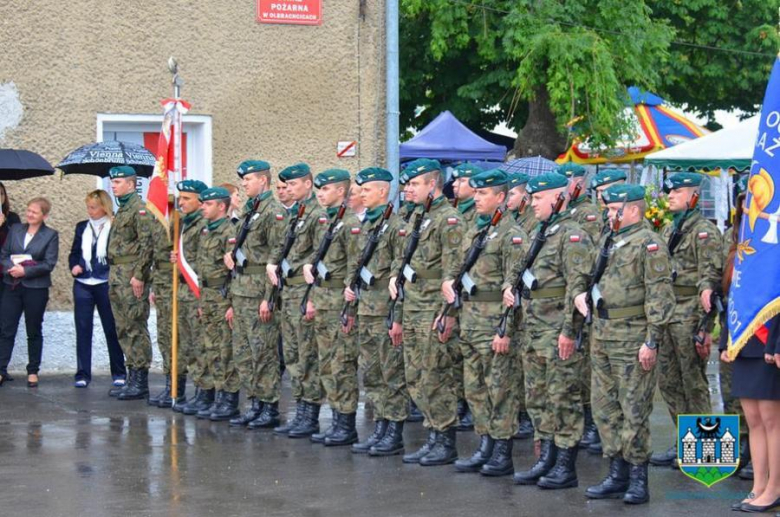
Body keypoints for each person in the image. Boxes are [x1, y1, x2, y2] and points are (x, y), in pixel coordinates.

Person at [574, 184, 674, 505]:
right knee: (605, 407)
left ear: (632, 209)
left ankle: (637, 476)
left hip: (633, 337)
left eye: (614, 208)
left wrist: (652, 340)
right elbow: (587, 274)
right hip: (603, 333)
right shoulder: (609, 240)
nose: (607, 213)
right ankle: (616, 471)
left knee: (635, 409)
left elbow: (659, 296)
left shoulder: (650, 245)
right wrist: (580, 293)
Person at [503, 172, 591, 489]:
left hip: (557, 332)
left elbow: (577, 288)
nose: (533, 203)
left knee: (562, 397)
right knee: (538, 398)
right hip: (533, 330)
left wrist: (569, 331)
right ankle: (547, 458)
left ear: (557, 197)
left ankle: (565, 466)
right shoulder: (541, 233)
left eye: (538, 198)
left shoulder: (572, 236)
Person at [445, 169, 528, 477]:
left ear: (501, 198)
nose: (477, 198)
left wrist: (506, 329)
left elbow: (514, 288)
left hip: (494, 325)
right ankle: (486, 444)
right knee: (476, 388)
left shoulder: (512, 234)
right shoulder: (475, 229)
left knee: (500, 389)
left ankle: (502, 451)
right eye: (476, 193)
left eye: (483, 194)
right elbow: (458, 271)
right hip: (470, 321)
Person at [391, 158, 462, 466]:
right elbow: (403, 256)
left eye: (415, 184)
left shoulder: (449, 220)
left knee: (436, 376)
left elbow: (453, 270)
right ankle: (432, 434)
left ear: (432, 184)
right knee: (417, 375)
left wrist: (447, 313)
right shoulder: (417, 216)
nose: (409, 188)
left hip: (433, 307)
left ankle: (445, 440)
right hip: (413, 305)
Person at [650, 172, 722, 466]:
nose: (670, 196)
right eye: (669, 192)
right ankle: (685, 443)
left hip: (690, 314)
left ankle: (706, 451)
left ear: (693, 196)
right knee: (668, 381)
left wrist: (705, 327)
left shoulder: (704, 231)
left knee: (693, 382)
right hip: (668, 313)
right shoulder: (669, 230)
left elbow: (711, 277)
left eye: (677, 192)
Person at [346, 167, 409, 455]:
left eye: (366, 190)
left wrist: (397, 318)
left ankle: (393, 433)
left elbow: (399, 277)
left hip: (384, 310)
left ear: (383, 192)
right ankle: (380, 427)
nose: (361, 194)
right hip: (366, 309)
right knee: (372, 373)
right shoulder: (367, 225)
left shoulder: (397, 227)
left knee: (390, 373)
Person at [224, 160, 286, 429]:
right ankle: (255, 402)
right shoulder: (250, 210)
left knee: (264, 353)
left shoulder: (273, 211)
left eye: (248, 179)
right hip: (241, 290)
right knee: (244, 353)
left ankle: (269, 407)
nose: (244, 184)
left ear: (263, 180)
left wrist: (268, 298)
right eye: (243, 180)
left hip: (259, 291)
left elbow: (276, 256)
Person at [266, 163, 326, 438]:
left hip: (304, 294)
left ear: (307, 184)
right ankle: (301, 410)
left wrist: (313, 298)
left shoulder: (318, 215)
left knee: (306, 356)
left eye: (292, 185)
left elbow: (321, 261)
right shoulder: (297, 214)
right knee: (291, 355)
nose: (287, 189)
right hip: (288, 292)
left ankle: (310, 414)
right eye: (285, 185)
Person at [305, 169, 362, 446]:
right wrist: (314, 298)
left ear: (341, 191)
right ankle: (337, 420)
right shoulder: (326, 221)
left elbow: (354, 268)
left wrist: (350, 311)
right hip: (324, 301)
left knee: (342, 365)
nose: (320, 193)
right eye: (319, 189)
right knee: (327, 364)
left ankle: (346, 422)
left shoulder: (351, 223)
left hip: (339, 303)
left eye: (326, 189)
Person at [556, 163, 602, 453]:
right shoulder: (566, 217)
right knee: (675, 388)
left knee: (694, 389)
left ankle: (704, 458)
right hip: (575, 302)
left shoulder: (589, 216)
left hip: (686, 314)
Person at [69, 190, 125, 388]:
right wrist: (74, 266)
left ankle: (119, 372)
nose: (89, 211)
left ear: (104, 207)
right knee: (83, 328)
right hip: (83, 283)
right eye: (88, 207)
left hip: (105, 282)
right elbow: (74, 253)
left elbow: (120, 254)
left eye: (93, 207)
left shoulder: (114, 225)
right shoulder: (82, 227)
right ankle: (83, 373)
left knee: (111, 327)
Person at [0, 197, 59, 387]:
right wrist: (11, 268)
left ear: (44, 215)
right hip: (12, 285)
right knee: (6, 329)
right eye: (28, 210)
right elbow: (4, 254)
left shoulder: (50, 235)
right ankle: (1, 370)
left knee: (33, 330)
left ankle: (33, 371)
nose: (30, 214)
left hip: (36, 289)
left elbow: (49, 263)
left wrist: (25, 270)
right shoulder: (16, 229)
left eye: (34, 212)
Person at [107, 166, 154, 400]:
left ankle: (140, 380)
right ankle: (131, 376)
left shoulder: (140, 210)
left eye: (117, 182)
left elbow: (147, 245)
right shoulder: (123, 209)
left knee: (135, 326)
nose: (113, 186)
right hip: (117, 276)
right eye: (112, 182)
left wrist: (140, 275)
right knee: (123, 328)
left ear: (130, 184)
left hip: (130, 276)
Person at [194, 187, 239, 421]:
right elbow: (203, 269)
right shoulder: (205, 231)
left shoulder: (229, 232)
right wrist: (202, 299)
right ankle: (218, 395)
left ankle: (229, 398)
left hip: (223, 296)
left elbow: (233, 272)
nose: (203, 207)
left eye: (207, 204)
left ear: (221, 206)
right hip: (209, 296)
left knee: (225, 349)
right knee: (211, 347)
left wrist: (232, 303)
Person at [173, 180, 212, 416]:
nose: (181, 202)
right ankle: (198, 391)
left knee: (201, 346)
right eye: (181, 198)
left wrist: (202, 299)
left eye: (186, 198)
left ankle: (205, 393)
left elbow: (204, 266)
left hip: (196, 293)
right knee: (188, 345)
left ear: (199, 200)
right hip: (184, 293)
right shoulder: (185, 224)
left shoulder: (202, 226)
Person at [505, 172, 534, 440]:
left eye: (512, 193)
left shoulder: (534, 222)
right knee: (673, 386)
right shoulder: (511, 221)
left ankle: (696, 456)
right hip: (518, 302)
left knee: (693, 388)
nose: (507, 199)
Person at [0, 182, 22, 302]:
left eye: (1, 194)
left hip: (6, 270)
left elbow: (18, 243)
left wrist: (4, 225)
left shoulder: (12, 217)